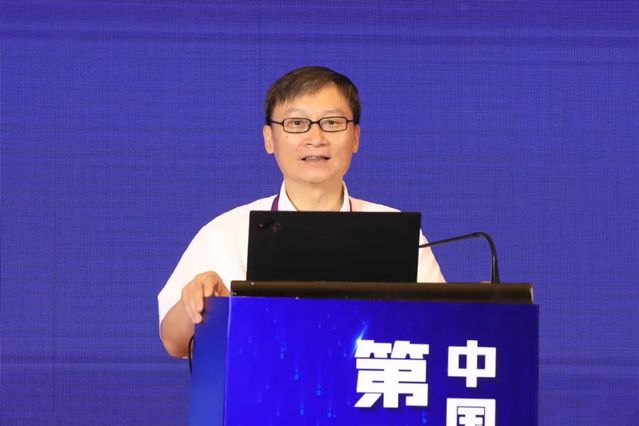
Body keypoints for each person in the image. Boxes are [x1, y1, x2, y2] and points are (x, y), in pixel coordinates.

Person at [158, 66, 445, 357]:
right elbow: (174, 342)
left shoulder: (394, 232)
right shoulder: (225, 233)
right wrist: (201, 304)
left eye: (332, 122)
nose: (316, 137)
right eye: (296, 123)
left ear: (356, 137)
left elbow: (441, 328)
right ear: (269, 139)